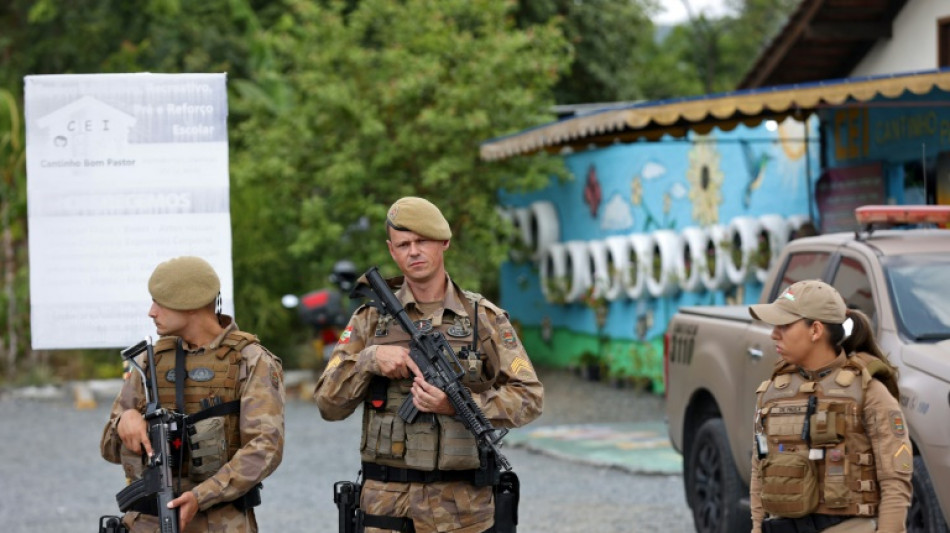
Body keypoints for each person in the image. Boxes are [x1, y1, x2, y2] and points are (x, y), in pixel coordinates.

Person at [314, 196, 543, 533]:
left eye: (422, 241)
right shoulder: (369, 319)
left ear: (444, 242)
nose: (414, 252)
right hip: (385, 509)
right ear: (392, 251)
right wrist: (368, 360)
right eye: (403, 244)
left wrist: (458, 405)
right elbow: (327, 405)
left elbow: (530, 398)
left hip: (460, 510)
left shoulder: (484, 319)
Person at [100, 256, 285, 532]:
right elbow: (108, 448)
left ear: (189, 306)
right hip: (148, 521)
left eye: (159, 302)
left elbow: (265, 448)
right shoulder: (151, 361)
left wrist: (201, 496)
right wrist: (124, 420)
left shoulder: (251, 361)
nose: (152, 312)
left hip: (218, 523)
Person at [748, 280, 912, 533]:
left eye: (785, 325)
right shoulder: (771, 393)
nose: (774, 334)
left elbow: (895, 481)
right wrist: (757, 527)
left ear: (815, 330)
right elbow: (759, 468)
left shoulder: (869, 391)